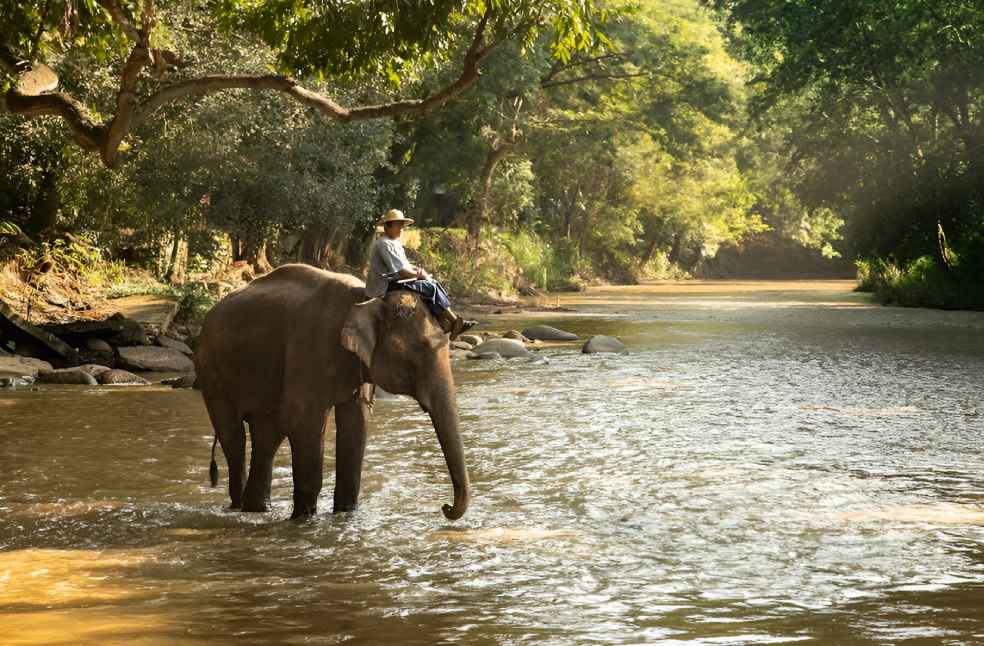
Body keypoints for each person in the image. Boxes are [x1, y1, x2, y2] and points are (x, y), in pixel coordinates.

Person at [365, 209, 477, 339]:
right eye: (399, 224)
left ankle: (447, 322)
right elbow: (401, 271)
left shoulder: (394, 243)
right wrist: (418, 275)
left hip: (398, 281)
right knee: (430, 287)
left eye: (403, 225)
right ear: (388, 225)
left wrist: (419, 271)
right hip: (386, 286)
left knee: (433, 283)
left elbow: (405, 265)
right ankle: (453, 321)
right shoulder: (384, 244)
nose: (402, 228)